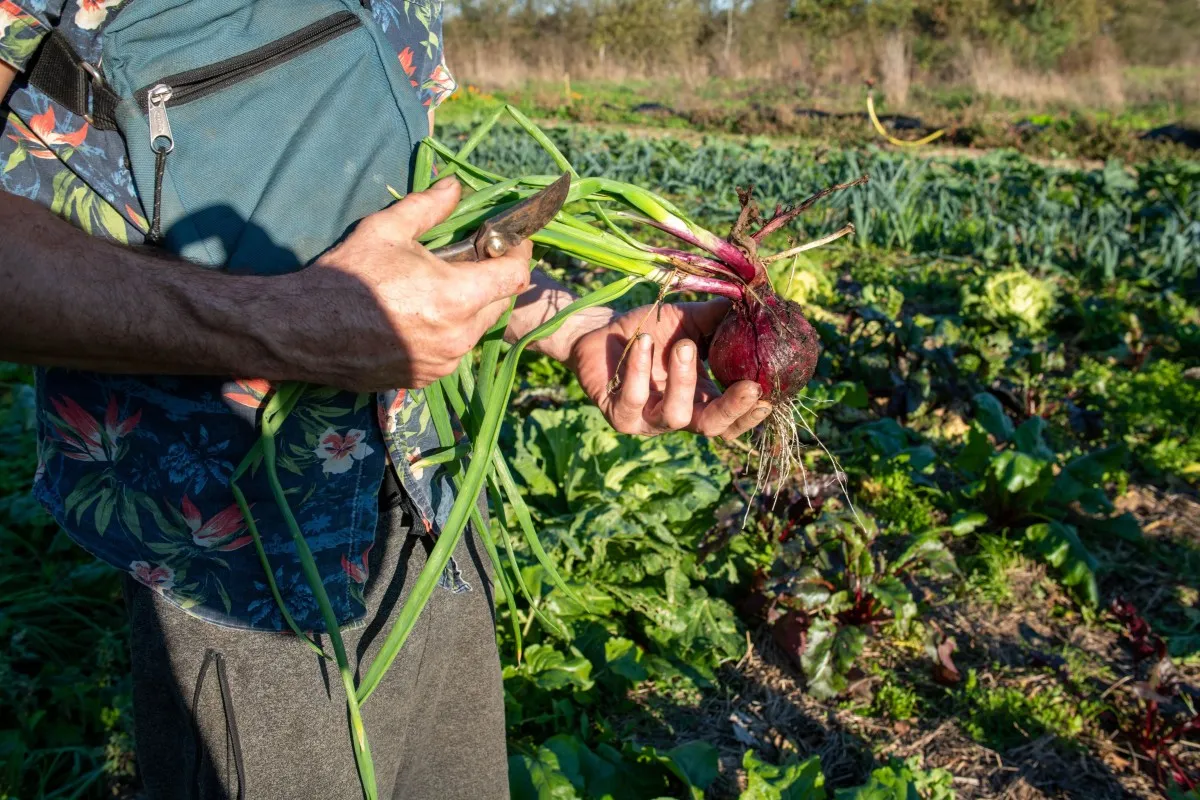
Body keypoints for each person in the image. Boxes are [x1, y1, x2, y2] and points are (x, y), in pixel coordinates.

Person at [0, 3, 771, 797]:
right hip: (234, 553)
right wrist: (292, 324)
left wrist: (576, 325)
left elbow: (393, 220)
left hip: (433, 509)